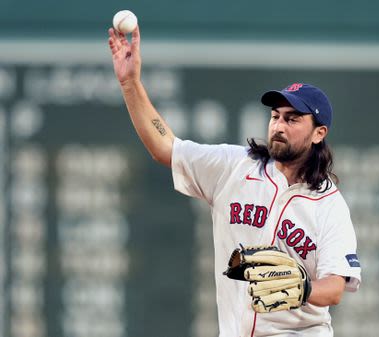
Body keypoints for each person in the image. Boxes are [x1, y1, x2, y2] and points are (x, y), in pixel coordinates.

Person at [108, 26, 361, 337]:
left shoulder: (329, 205)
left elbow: (335, 288)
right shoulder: (236, 167)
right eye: (275, 116)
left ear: (319, 133)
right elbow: (165, 148)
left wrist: (303, 288)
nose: (279, 125)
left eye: (293, 118)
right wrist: (130, 83)